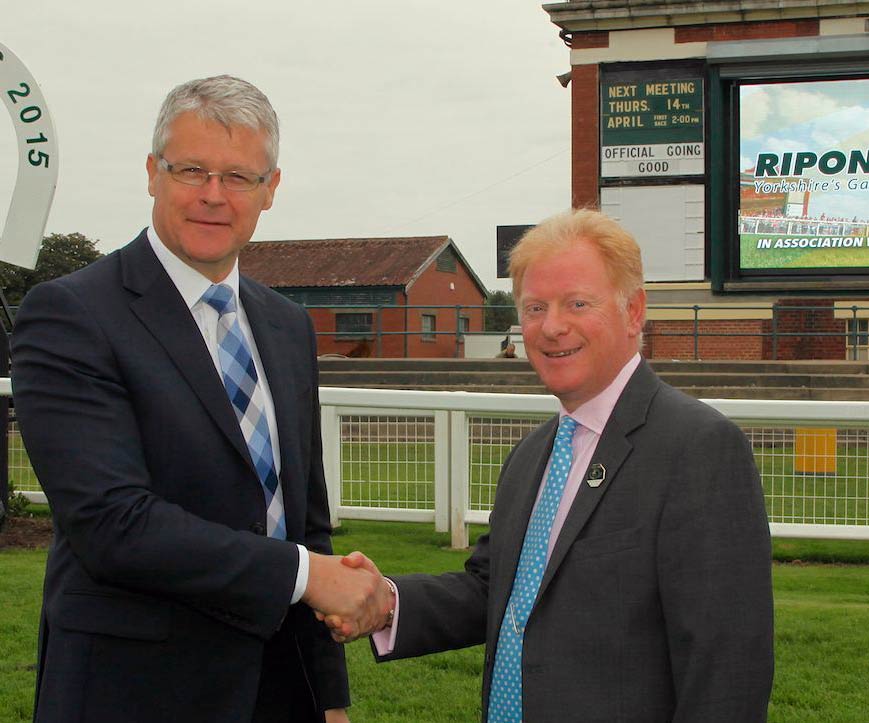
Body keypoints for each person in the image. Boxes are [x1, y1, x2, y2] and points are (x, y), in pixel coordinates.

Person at [12, 75, 391, 723]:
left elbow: (306, 522)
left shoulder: (286, 326)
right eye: (192, 170)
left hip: (277, 688)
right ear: (152, 172)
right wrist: (304, 575)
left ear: (270, 190)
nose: (213, 195)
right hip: (132, 689)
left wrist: (328, 696)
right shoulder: (72, 313)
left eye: (239, 176)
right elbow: (112, 523)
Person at [348, 209, 774, 721]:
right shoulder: (533, 454)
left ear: (634, 311)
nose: (552, 327)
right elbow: (497, 591)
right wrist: (386, 602)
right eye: (534, 308)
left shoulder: (698, 448)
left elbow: (726, 666)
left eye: (577, 303)